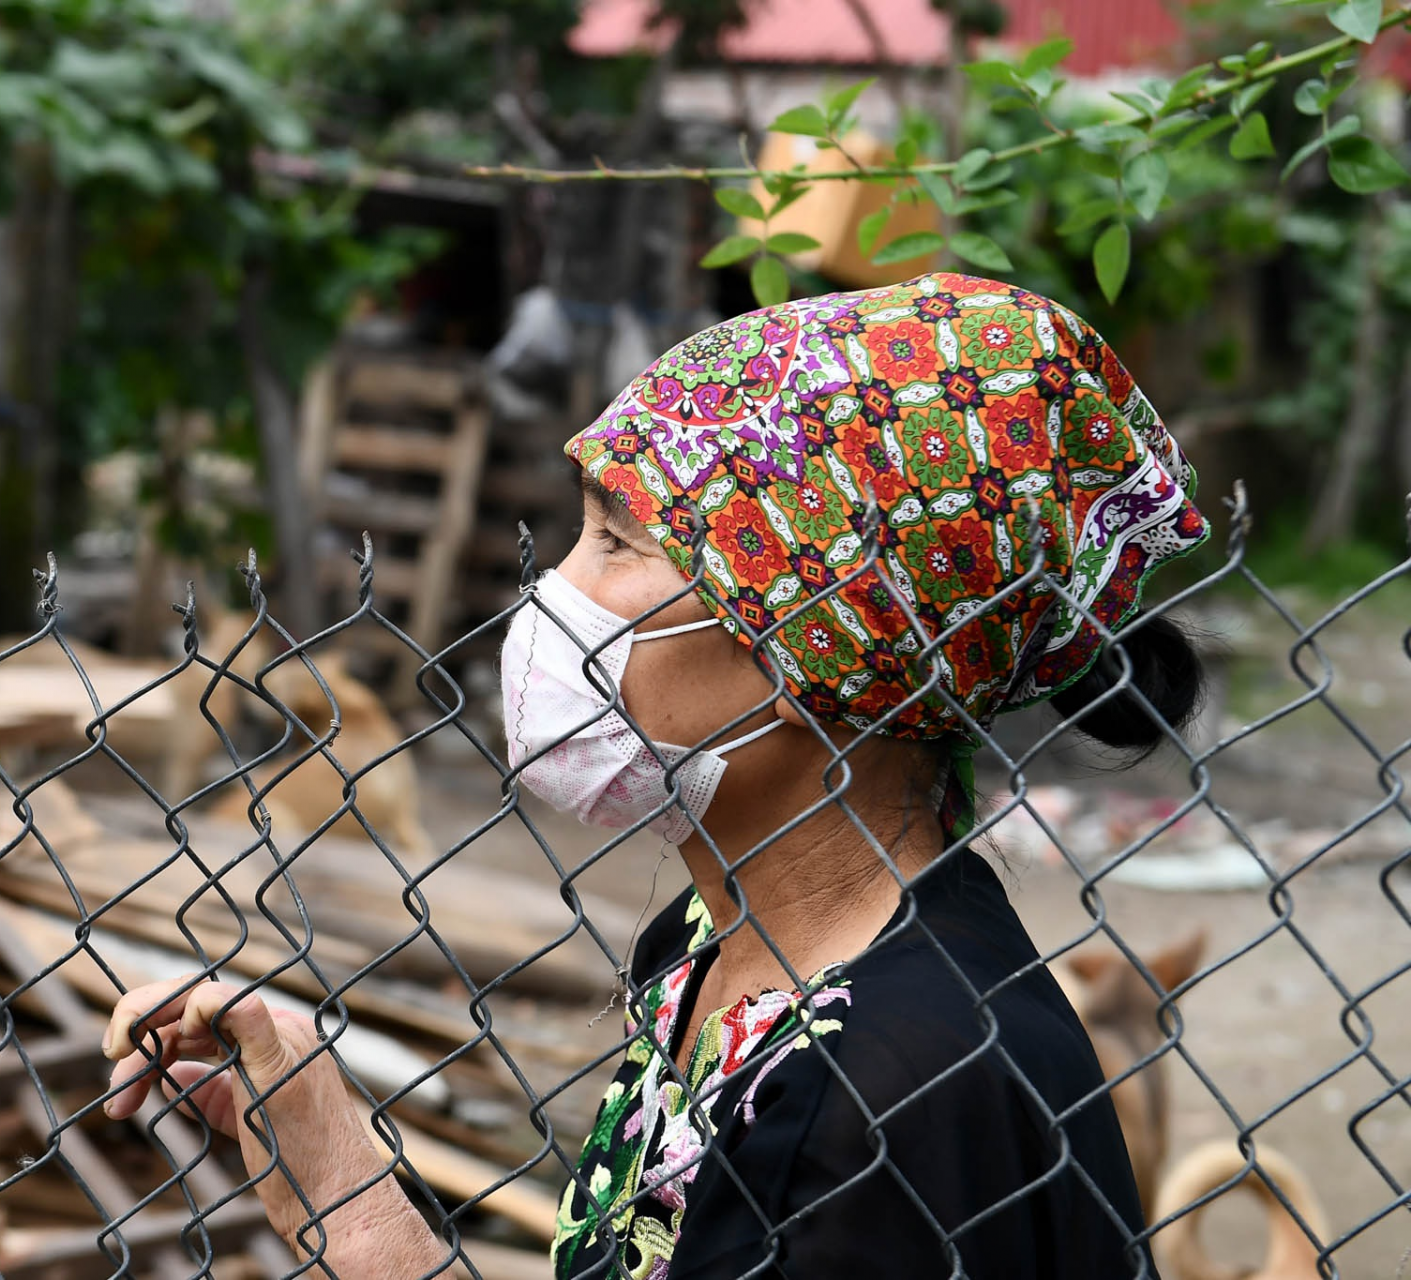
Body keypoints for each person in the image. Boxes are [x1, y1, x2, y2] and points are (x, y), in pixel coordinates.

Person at [101, 272, 1211, 1278]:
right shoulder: (709, 949)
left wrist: (354, 1205)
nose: (553, 598)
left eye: (622, 546)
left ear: (809, 644)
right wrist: (312, 1143)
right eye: (579, 533)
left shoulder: (898, 1088)